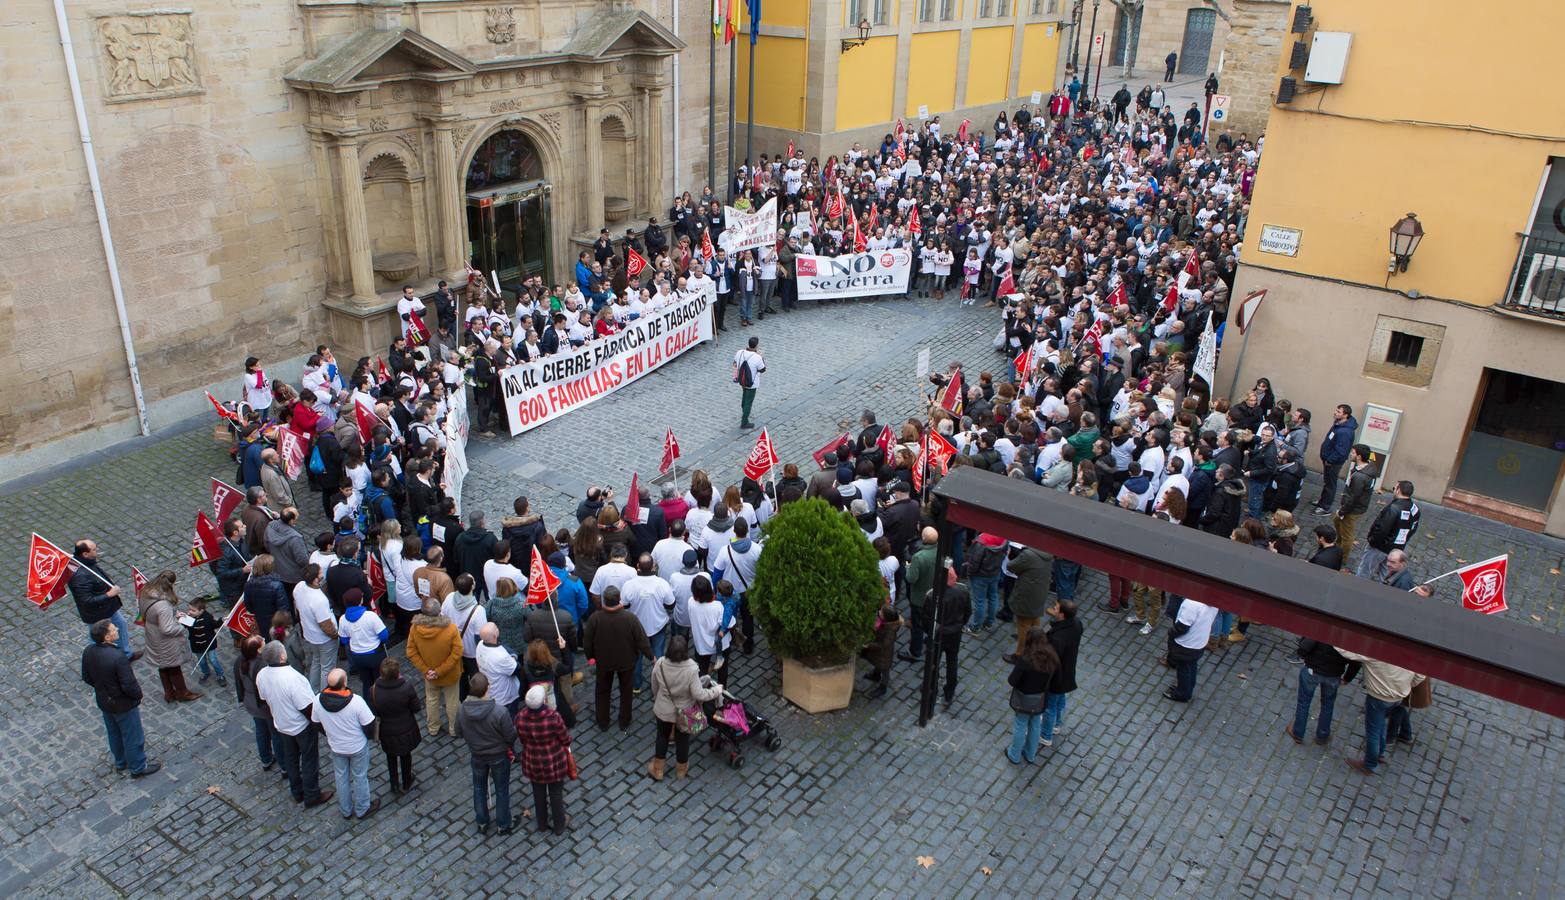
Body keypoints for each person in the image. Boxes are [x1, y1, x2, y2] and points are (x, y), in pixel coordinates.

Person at [255, 641, 333, 808]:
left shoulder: (262, 675)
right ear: (282, 656)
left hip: (282, 725)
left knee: (291, 759)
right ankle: (312, 794)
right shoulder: (293, 678)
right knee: (309, 758)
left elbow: (263, 700)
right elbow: (307, 707)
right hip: (300, 726)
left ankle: (297, 791)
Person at [82, 618, 158, 777]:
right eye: (113, 629)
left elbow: (87, 677)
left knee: (114, 733)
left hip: (104, 701)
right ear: (107, 638)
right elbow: (129, 684)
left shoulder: (89, 651)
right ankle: (138, 766)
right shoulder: (118, 657)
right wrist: (137, 696)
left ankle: (121, 762)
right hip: (123, 704)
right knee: (133, 735)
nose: (117, 628)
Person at [1338, 648, 1426, 776]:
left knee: (1373, 731)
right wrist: (1406, 686)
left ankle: (1369, 764)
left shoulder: (1376, 653)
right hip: (1398, 698)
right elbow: (1420, 676)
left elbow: (1349, 653)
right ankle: (1380, 753)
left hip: (1378, 698)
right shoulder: (1411, 656)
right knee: (1380, 726)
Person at [648, 635, 723, 780]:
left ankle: (658, 770)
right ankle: (681, 770)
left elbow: (654, 685)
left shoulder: (661, 664)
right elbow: (699, 694)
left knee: (662, 736)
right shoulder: (692, 668)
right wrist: (716, 691)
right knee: (682, 739)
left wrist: (658, 699)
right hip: (685, 710)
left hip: (663, 709)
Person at [311, 667, 380, 821]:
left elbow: (315, 723)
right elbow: (370, 725)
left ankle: (346, 810)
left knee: (341, 778)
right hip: (357, 747)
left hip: (336, 747)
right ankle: (362, 808)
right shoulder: (356, 702)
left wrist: (329, 733)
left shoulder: (317, 701)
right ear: (345, 682)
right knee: (360, 777)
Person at [581, 586, 652, 730]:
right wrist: (651, 656)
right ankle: (624, 721)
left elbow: (587, 641)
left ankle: (603, 721)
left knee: (602, 691)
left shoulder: (595, 618)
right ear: (619, 599)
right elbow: (641, 640)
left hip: (603, 662)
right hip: (626, 662)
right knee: (626, 691)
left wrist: (590, 657)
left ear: (604, 600)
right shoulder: (630, 618)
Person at [455, 672, 517, 836]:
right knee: (502, 790)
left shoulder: (462, 710)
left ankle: (482, 821)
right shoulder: (500, 712)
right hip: (498, 756)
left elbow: (458, 732)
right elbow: (510, 736)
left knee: (479, 788)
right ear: (487, 688)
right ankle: (503, 824)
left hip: (477, 756)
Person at [514, 684, 573, 835]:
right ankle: (559, 824)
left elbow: (521, 739)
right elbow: (565, 738)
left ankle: (542, 824)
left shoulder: (520, 717)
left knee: (538, 792)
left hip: (533, 761)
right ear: (544, 700)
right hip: (554, 761)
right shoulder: (553, 717)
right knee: (555, 792)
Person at [138, 570, 202, 703]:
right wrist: (181, 626)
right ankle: (182, 693)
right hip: (164, 640)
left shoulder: (145, 592)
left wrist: (172, 617)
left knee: (162, 665)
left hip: (153, 633)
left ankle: (169, 693)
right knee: (173, 666)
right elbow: (167, 629)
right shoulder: (163, 605)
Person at [1284, 637, 1360, 746]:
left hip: (1312, 670)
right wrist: (1348, 678)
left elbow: (1306, 645)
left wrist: (1303, 655)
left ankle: (1298, 733)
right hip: (1333, 675)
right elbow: (1356, 661)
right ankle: (1322, 735)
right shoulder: (1352, 636)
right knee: (1327, 705)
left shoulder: (1324, 628)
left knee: (1303, 702)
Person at [69, 540, 136, 660]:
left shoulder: (87, 563)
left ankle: (126, 655)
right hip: (96, 614)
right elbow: (86, 600)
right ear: (85, 554)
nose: (97, 551)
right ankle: (98, 663)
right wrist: (109, 595)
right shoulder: (79, 576)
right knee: (97, 640)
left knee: (120, 624)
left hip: (107, 608)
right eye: (94, 550)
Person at [407, 597, 464, 737]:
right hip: (449, 673)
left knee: (431, 700)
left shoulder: (415, 628)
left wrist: (427, 670)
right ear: (439, 611)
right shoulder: (450, 628)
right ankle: (454, 729)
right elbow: (457, 652)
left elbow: (411, 652)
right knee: (452, 702)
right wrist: (440, 671)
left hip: (430, 675)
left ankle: (433, 728)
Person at [1005, 626, 1059, 765]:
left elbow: (1012, 680)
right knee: (1035, 725)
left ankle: (1014, 754)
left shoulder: (1026, 660)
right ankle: (1030, 754)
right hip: (1040, 698)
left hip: (1023, 698)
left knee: (1020, 725)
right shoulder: (1051, 657)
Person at [620, 554, 674, 692]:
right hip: (658, 626)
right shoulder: (662, 584)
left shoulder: (629, 585)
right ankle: (660, 685)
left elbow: (624, 605)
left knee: (636, 657)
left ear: (637, 566)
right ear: (653, 567)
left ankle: (636, 685)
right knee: (658, 655)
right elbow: (670, 604)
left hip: (636, 629)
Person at [368, 656, 421, 795]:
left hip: (386, 731)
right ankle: (407, 781)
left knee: (390, 757)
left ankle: (394, 784)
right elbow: (416, 708)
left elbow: (374, 711)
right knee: (405, 756)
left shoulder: (373, 690)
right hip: (406, 729)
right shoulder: (406, 688)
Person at [234, 633, 283, 772]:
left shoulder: (240, 660)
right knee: (275, 734)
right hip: (263, 705)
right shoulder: (261, 665)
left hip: (251, 703)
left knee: (261, 731)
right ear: (258, 650)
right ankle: (284, 765)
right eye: (263, 643)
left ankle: (266, 759)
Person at [1358, 480, 1420, 580]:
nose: (1394, 491)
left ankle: (1358, 588)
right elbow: (1413, 528)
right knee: (1385, 576)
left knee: (1364, 571)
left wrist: (1372, 541)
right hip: (1397, 548)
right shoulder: (1415, 508)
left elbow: (1382, 530)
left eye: (1394, 488)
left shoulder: (1393, 508)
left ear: (1399, 490)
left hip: (1379, 548)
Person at [1041, 600, 1082, 745]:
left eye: (1056, 608)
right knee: (1060, 698)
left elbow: (1052, 659)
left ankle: (1046, 735)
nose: (1053, 609)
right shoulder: (1077, 624)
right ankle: (1057, 724)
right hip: (1068, 671)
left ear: (1062, 615)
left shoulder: (1057, 638)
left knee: (1050, 705)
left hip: (1057, 676)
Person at [934, 561, 973, 710]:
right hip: (955, 632)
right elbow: (968, 611)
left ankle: (932, 687)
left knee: (934, 662)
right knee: (952, 662)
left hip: (940, 632)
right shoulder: (963, 591)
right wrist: (960, 624)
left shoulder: (936, 594)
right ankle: (949, 693)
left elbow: (927, 616)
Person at [1165, 595, 1218, 702]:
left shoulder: (1192, 604)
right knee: (1191, 666)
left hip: (1187, 644)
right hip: (1199, 642)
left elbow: (1182, 627)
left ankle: (1182, 693)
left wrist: (1171, 633)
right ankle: (1188, 688)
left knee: (1183, 669)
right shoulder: (1214, 602)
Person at [441, 574, 487, 699]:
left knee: (460, 676)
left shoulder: (450, 597)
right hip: (471, 652)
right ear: (472, 587)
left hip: (454, 648)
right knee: (475, 676)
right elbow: (480, 637)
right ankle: (476, 698)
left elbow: (442, 618)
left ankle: (462, 697)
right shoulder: (478, 610)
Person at [293, 564, 339, 691]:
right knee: (327, 668)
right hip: (324, 639)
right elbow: (325, 625)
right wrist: (336, 635)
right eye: (320, 573)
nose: (322, 574)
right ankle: (325, 692)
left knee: (316, 661)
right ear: (315, 580)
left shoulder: (299, 587)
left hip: (310, 634)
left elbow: (296, 606)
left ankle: (313, 689)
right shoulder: (319, 600)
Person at [337, 587, 389, 696]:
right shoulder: (370, 616)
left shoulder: (342, 619)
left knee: (366, 683)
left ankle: (370, 705)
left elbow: (344, 640)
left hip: (357, 657)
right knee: (381, 682)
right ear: (359, 600)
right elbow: (384, 636)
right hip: (375, 655)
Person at [898, 528, 939, 663]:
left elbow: (911, 579)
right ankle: (930, 639)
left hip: (920, 597)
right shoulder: (940, 550)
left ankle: (915, 652)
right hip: (934, 593)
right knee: (931, 618)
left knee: (917, 626)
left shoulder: (919, 557)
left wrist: (908, 567)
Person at [1004, 542, 1051, 656]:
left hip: (1027, 595)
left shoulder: (1028, 555)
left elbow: (1011, 566)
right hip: (1040, 591)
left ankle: (1020, 654)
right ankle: (1035, 641)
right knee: (1034, 619)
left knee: (1023, 624)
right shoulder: (1047, 552)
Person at [1333, 444, 1379, 558]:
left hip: (1352, 509)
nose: (1350, 454)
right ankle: (1338, 544)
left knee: (1347, 535)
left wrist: (1343, 511)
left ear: (1358, 456)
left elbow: (1354, 497)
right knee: (1337, 521)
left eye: (1353, 453)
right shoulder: (1367, 467)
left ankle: (1341, 558)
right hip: (1355, 506)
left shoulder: (1360, 477)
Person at [1313, 404, 1358, 514]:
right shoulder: (1339, 425)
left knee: (1330, 485)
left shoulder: (1345, 431)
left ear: (1345, 415)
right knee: (1327, 482)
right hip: (1329, 460)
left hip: (1333, 463)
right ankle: (1322, 501)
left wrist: (1330, 460)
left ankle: (1325, 507)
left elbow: (1341, 451)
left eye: (1338, 412)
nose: (1335, 413)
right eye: (1336, 410)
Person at [964, 533, 1006, 634]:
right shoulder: (1004, 539)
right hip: (994, 573)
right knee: (993, 597)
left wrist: (969, 573)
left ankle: (975, 627)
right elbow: (1004, 554)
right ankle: (989, 623)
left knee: (979, 602)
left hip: (980, 576)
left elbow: (975, 562)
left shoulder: (981, 542)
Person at [475, 622, 521, 714]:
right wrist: (513, 658)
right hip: (505, 697)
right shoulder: (501, 657)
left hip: (491, 692)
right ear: (495, 635)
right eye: (496, 628)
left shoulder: (480, 644)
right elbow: (517, 669)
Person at [859, 602, 901, 698]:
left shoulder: (890, 632)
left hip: (884, 655)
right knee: (878, 665)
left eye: (881, 612)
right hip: (879, 654)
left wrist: (869, 645)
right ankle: (876, 675)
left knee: (885, 670)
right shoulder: (883, 623)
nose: (879, 612)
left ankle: (883, 687)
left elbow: (884, 645)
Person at [185, 596, 226, 687]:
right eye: (189, 609)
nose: (190, 612)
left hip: (209, 644)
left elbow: (214, 625)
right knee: (201, 661)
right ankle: (206, 672)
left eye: (193, 610)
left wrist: (221, 621)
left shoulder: (208, 617)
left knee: (213, 660)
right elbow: (184, 625)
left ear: (201, 611)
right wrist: (180, 618)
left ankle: (220, 675)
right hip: (197, 645)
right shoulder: (189, 618)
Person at [733, 335, 765, 430]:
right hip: (752, 382)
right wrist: (761, 357)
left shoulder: (740, 352)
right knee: (749, 401)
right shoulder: (757, 357)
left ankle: (744, 410)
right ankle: (744, 421)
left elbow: (735, 363)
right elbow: (762, 369)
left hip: (742, 379)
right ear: (756, 346)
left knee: (744, 395)